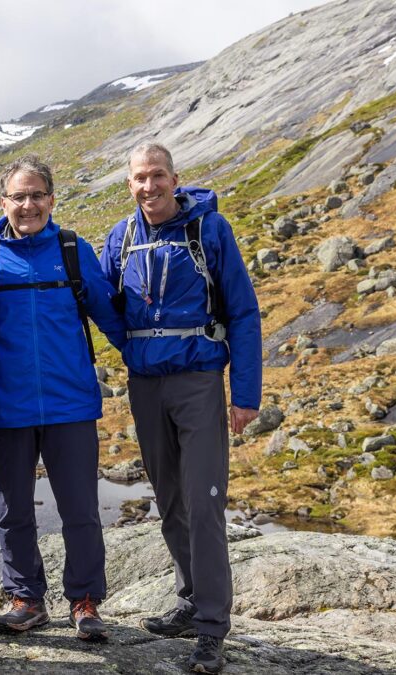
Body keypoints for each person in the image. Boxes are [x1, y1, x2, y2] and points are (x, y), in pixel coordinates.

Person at [100, 142, 261, 674]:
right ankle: (190, 600)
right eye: (140, 178)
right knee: (170, 498)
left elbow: (242, 310)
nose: (150, 187)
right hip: (146, 386)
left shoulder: (209, 230)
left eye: (158, 176)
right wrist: (132, 348)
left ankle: (213, 628)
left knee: (205, 499)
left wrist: (245, 394)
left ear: (175, 178)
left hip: (197, 381)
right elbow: (101, 302)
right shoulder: (121, 238)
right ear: (129, 184)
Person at [0, 155, 127, 642]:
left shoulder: (72, 250)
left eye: (37, 195)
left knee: (80, 510)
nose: (28, 205)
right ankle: (26, 599)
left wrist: (155, 367)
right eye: (18, 196)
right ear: (4, 203)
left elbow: (111, 315)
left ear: (51, 199)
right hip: (8, 407)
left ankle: (84, 601)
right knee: (12, 511)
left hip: (71, 405)